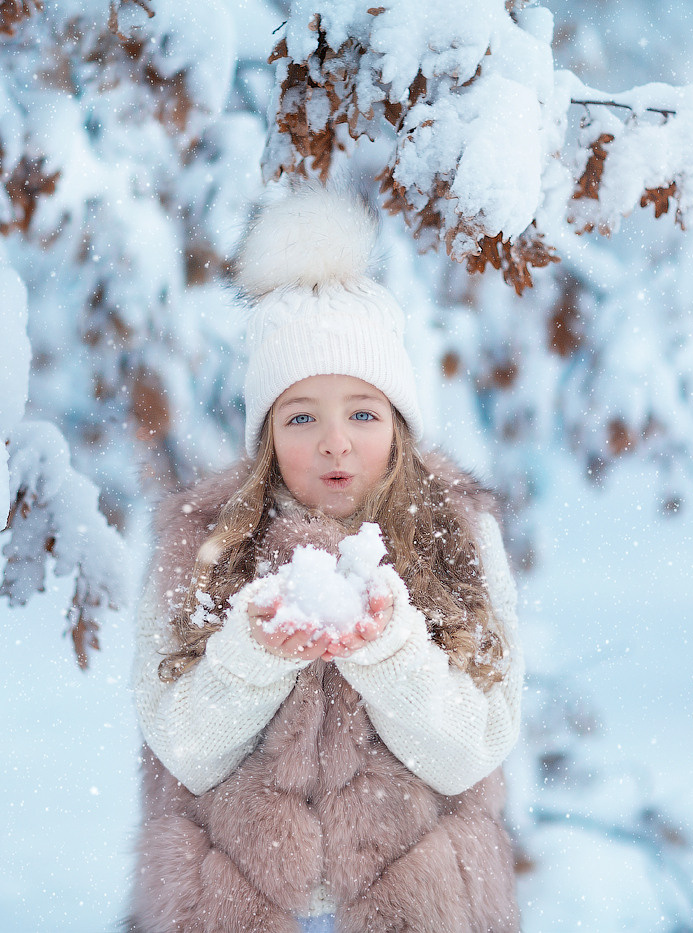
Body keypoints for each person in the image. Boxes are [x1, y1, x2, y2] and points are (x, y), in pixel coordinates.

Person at [127, 184, 523, 932]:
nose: (335, 441)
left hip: (421, 906)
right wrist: (254, 652)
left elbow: (471, 750)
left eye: (363, 413)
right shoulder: (203, 545)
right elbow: (181, 745)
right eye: (302, 415)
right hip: (228, 905)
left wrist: (390, 650)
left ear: (400, 423)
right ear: (267, 430)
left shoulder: (458, 540)